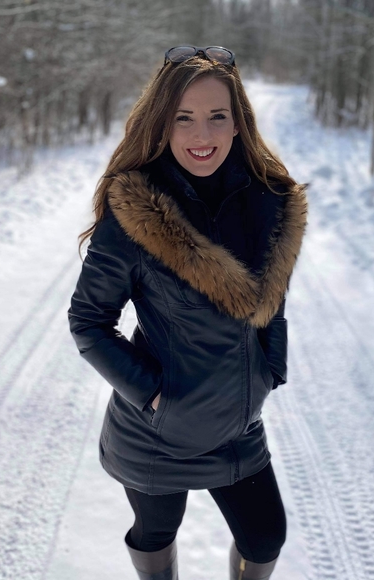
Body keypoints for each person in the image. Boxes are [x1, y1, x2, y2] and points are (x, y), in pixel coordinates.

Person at [68, 45, 308, 580]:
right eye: (184, 118)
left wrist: (269, 369)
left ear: (238, 123)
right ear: (162, 124)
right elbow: (88, 322)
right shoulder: (136, 210)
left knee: (265, 537)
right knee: (157, 533)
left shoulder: (269, 201)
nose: (203, 134)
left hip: (238, 428)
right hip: (157, 431)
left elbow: (272, 298)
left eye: (217, 116)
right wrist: (155, 396)